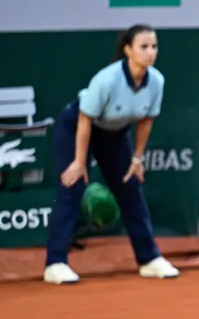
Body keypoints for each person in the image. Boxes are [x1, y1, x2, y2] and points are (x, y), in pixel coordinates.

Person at [43, 24, 180, 285]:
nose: (150, 52)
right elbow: (85, 120)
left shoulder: (157, 81)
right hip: (77, 127)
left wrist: (137, 159)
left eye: (154, 47)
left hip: (114, 134)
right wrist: (79, 162)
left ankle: (149, 259)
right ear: (128, 50)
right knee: (71, 187)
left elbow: (146, 121)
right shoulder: (106, 80)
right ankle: (55, 263)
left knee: (130, 187)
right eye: (143, 47)